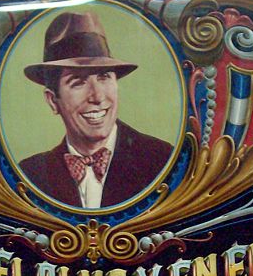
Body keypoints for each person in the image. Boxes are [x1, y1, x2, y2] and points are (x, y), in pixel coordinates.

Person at [20, 11, 173, 209]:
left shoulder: (161, 160)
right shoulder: (31, 174)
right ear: (52, 100)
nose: (97, 97)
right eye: (78, 82)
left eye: (104, 77)